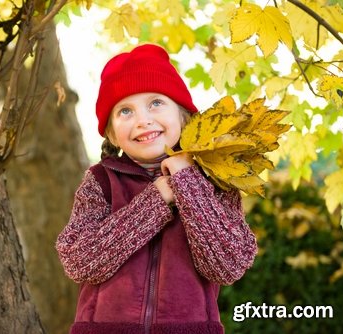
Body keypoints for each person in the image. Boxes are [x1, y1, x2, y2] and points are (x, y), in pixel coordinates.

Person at [56, 44, 257, 334]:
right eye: (125, 111)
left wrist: (186, 179)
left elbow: (227, 264)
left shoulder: (215, 180)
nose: (142, 120)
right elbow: (80, 261)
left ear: (183, 114)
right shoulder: (100, 181)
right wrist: (157, 199)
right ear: (112, 133)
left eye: (156, 103)